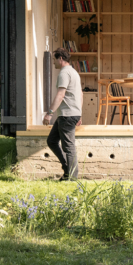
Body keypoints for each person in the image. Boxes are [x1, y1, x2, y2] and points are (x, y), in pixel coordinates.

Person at [44, 48, 82, 180]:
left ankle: (72, 177)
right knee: (52, 141)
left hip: (67, 114)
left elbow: (61, 95)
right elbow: (80, 94)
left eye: (54, 60)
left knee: (68, 146)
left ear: (60, 59)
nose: (53, 63)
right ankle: (67, 169)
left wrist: (49, 113)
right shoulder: (74, 72)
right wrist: (79, 113)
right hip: (70, 113)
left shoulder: (64, 73)